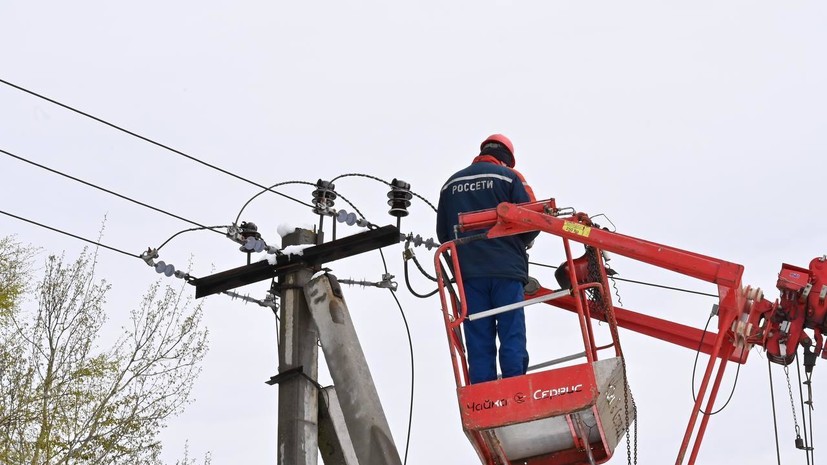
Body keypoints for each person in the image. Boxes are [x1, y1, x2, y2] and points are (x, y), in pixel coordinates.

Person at [436, 134, 540, 384]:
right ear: (506, 158)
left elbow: (443, 234)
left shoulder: (451, 184)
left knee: (478, 336)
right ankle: (516, 386)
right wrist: (521, 244)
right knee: (511, 331)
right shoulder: (510, 178)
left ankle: (484, 394)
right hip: (507, 271)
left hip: (469, 275)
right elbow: (533, 220)